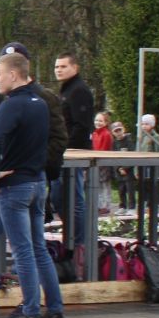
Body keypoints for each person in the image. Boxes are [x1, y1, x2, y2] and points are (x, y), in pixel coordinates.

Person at [0, 52, 66, 318]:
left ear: (13, 75)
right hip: (37, 182)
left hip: (15, 185)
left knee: (22, 251)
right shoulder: (40, 103)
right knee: (38, 249)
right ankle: (54, 309)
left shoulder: (12, 105)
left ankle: (30, 311)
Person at [53, 53, 94, 250]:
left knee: (73, 198)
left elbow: (82, 125)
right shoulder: (67, 90)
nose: (58, 69)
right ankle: (72, 237)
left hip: (73, 153)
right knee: (59, 196)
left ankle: (79, 244)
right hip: (63, 152)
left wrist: (67, 148)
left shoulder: (78, 91)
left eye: (63, 66)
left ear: (75, 68)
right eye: (56, 67)